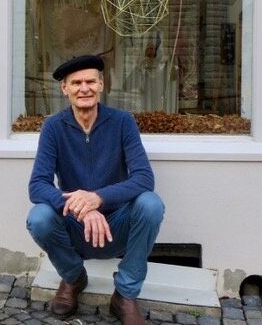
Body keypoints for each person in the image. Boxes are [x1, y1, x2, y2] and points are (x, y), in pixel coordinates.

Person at [26, 54, 164, 324]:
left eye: (90, 81)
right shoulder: (53, 127)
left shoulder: (122, 122)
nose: (84, 88)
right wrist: (82, 209)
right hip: (75, 228)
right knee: (39, 217)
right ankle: (73, 277)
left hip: (117, 225)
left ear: (101, 85)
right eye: (76, 83)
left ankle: (125, 294)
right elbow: (38, 185)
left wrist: (97, 198)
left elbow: (144, 178)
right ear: (64, 88)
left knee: (151, 204)